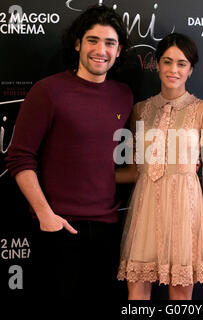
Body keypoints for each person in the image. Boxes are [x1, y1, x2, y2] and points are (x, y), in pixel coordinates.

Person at [5, 4, 133, 300]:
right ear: (77, 43)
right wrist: (45, 214)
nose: (101, 50)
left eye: (110, 43)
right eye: (92, 40)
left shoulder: (123, 95)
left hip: (108, 228)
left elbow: (118, 160)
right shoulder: (48, 91)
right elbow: (19, 158)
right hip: (59, 227)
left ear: (119, 50)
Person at [116, 33, 203, 300]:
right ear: (157, 64)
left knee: (180, 296)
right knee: (137, 292)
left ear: (190, 69)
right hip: (146, 207)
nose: (173, 69)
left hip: (186, 210)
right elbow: (136, 168)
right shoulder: (140, 110)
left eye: (181, 63)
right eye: (167, 61)